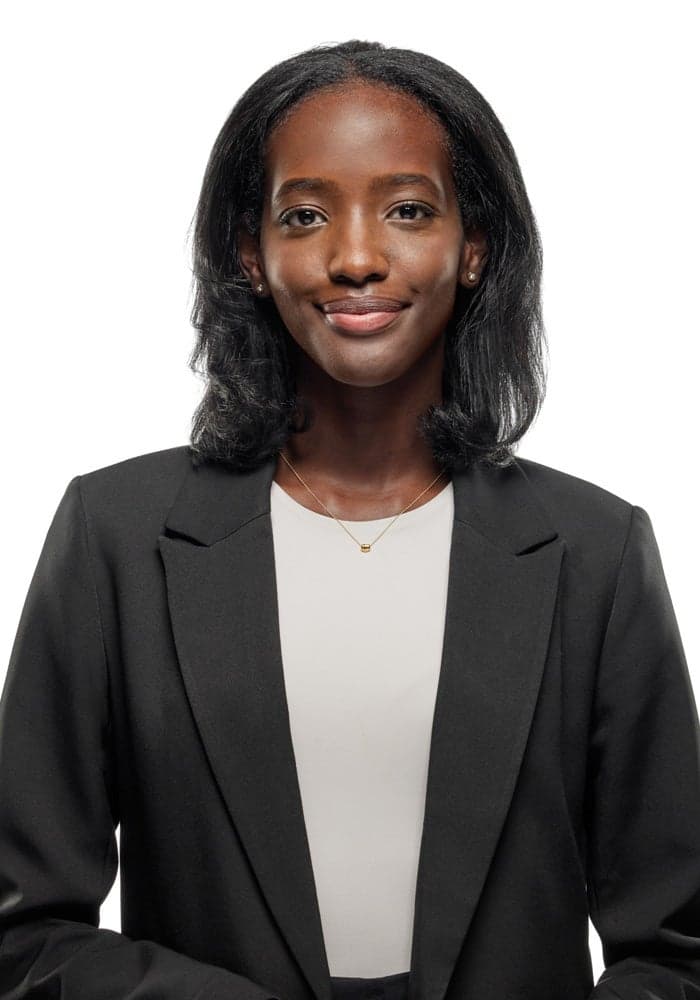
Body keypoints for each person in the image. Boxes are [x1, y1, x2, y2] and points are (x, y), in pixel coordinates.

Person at [1, 37, 699, 1000]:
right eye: (305, 215)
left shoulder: (598, 552)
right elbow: (24, 933)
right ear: (249, 255)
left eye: (408, 210)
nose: (357, 258)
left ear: (474, 247)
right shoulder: (113, 537)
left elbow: (676, 952)